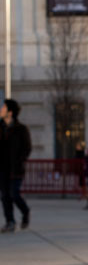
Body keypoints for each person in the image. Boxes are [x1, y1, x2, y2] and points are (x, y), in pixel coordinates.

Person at [0, 98, 32, 232]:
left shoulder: (21, 129)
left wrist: (20, 160)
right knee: (5, 196)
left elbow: (27, 148)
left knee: (14, 194)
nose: (1, 109)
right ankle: (10, 222)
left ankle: (25, 211)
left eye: (3, 107)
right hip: (3, 168)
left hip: (16, 168)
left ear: (10, 112)